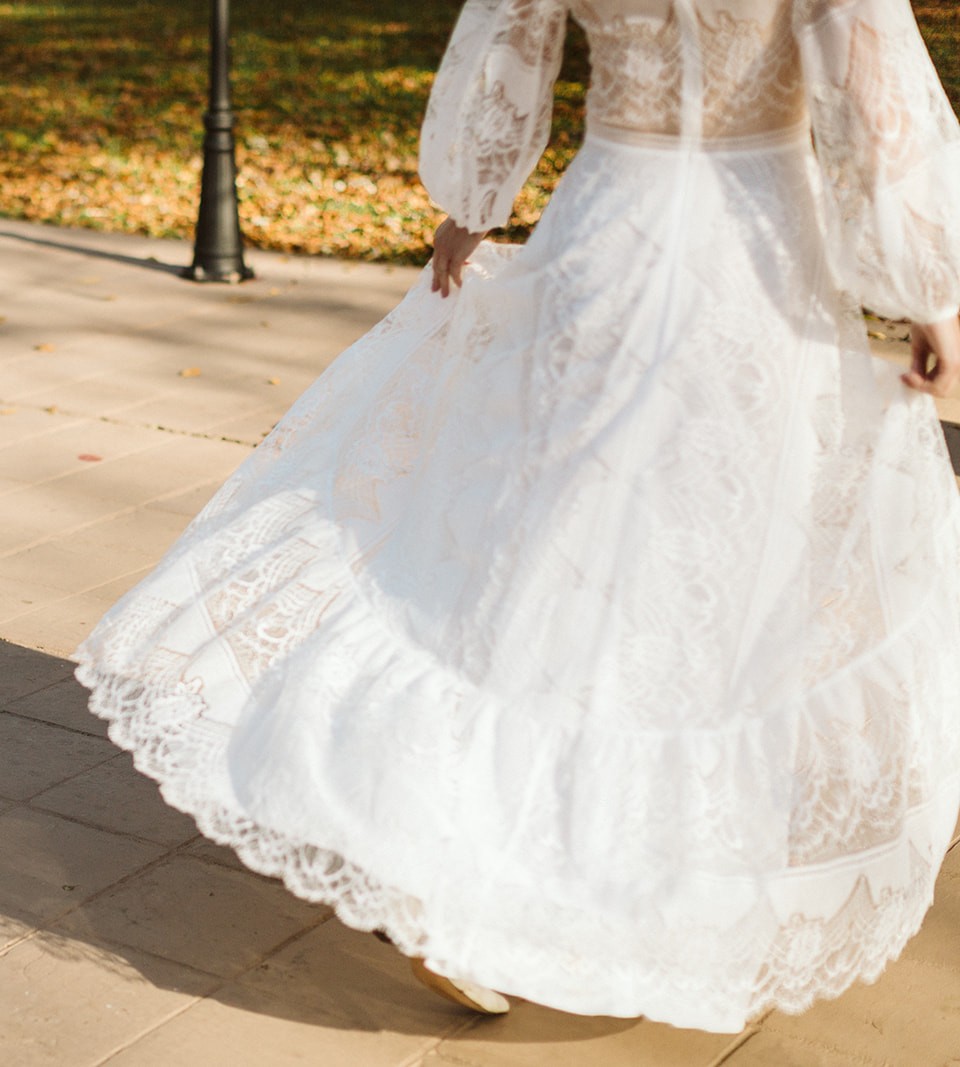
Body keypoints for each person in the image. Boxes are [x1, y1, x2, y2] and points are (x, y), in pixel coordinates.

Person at [73, 0, 960, 1032]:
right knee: (699, 565)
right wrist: (925, 291)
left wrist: (473, 203)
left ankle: (455, 859)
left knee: (549, 538)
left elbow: (510, 47)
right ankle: (607, 881)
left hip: (609, 228)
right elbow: (870, 100)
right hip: (753, 258)